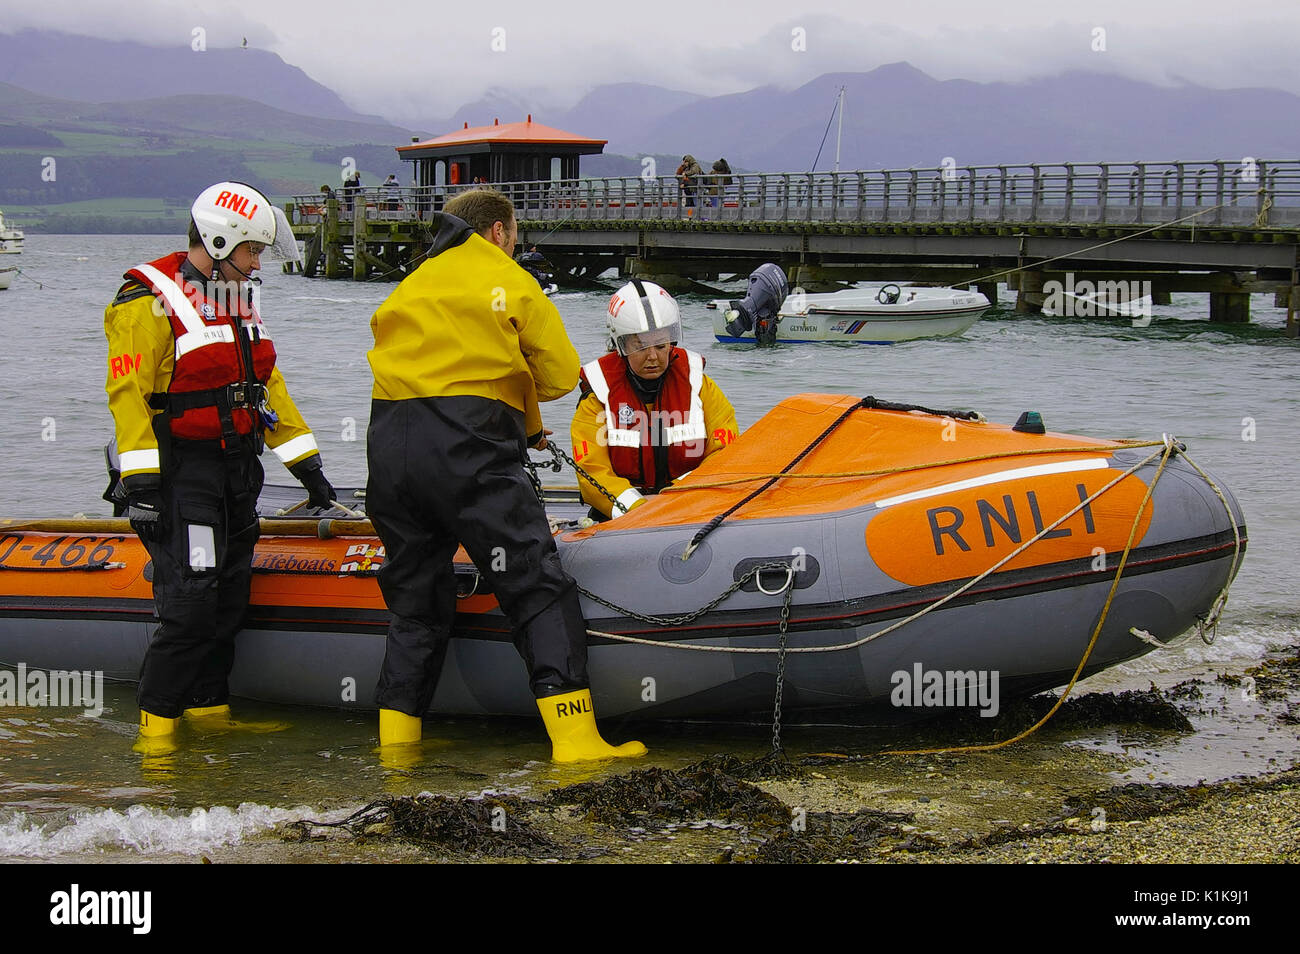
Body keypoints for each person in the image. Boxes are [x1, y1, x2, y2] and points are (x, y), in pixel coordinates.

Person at [365, 186, 645, 763]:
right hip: (468, 448)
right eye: (514, 237)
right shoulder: (509, 279)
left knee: (415, 596)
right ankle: (576, 742)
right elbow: (564, 373)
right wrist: (514, 402)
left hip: (389, 445)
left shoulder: (412, 281)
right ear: (497, 233)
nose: (515, 247)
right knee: (534, 584)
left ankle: (397, 750)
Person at [104, 180, 337, 751]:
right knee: (191, 603)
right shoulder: (147, 300)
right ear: (217, 238)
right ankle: (155, 737)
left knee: (229, 598)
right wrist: (142, 483)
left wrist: (308, 468)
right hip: (183, 477)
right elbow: (127, 392)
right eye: (252, 250)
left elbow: (266, 388)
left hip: (237, 471)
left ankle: (209, 719)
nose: (258, 263)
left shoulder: (238, 299)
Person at [570, 280, 738, 519]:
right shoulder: (599, 393)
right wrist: (639, 511)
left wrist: (677, 497)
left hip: (689, 505)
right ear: (621, 345)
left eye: (660, 345)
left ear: (672, 341)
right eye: (640, 347)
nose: (653, 357)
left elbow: (725, 453)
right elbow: (591, 469)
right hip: (621, 515)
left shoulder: (698, 384)